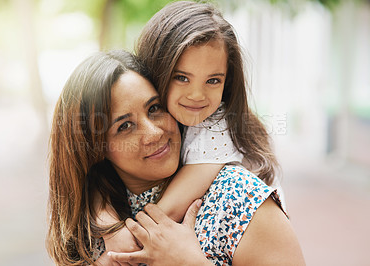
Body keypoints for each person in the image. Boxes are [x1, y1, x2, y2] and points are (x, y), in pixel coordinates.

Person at [46, 49, 304, 265]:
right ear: (96, 149)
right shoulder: (94, 230)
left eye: (154, 108)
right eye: (124, 126)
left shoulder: (237, 198)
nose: (154, 132)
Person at [103, 0, 286, 256]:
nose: (197, 95)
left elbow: (169, 211)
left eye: (212, 80)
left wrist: (125, 236)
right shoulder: (170, 118)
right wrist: (101, 214)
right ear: (157, 70)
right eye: (182, 77)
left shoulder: (217, 126)